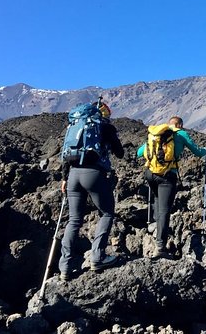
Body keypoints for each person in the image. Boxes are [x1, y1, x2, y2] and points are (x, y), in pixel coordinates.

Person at [59, 101, 124, 280]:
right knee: (107, 213)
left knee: (74, 220)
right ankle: (98, 257)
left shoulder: (74, 127)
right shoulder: (104, 127)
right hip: (94, 173)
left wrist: (64, 178)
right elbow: (120, 153)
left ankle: (65, 266)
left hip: (73, 175)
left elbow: (65, 157)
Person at [137, 116, 206, 258]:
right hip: (167, 176)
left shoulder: (157, 134)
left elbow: (139, 153)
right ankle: (160, 247)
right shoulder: (181, 134)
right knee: (165, 210)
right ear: (180, 125)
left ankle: (156, 227)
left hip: (150, 173)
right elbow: (197, 152)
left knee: (157, 199)